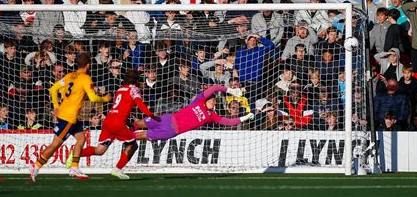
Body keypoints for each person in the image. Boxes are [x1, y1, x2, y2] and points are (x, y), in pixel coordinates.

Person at [30, 53, 111, 182]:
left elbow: (53, 89)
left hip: (69, 115)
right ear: (88, 65)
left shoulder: (69, 76)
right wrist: (105, 98)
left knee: (81, 138)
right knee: (55, 144)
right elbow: (93, 98)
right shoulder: (85, 78)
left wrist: (56, 105)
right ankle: (36, 166)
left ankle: (74, 167)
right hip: (69, 117)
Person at [66, 70, 159, 180]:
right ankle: (117, 169)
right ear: (137, 80)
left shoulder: (120, 89)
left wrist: (127, 122)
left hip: (109, 120)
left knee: (100, 150)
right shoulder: (134, 89)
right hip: (117, 122)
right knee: (133, 145)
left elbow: (119, 107)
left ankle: (75, 155)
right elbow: (141, 106)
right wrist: (153, 117)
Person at [131, 85, 254, 141]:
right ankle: (119, 131)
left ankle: (122, 140)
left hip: (171, 131)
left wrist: (245, 117)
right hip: (167, 119)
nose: (214, 101)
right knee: (137, 123)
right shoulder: (198, 101)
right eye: (212, 99)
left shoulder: (212, 116)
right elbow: (215, 87)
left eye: (215, 100)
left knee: (138, 136)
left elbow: (228, 122)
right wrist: (231, 91)